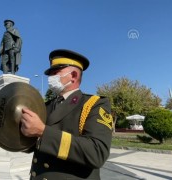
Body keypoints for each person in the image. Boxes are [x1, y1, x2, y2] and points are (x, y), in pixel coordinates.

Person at [20, 49, 113, 179]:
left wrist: (43, 132)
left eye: (56, 72)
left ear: (74, 75)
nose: (50, 78)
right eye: (50, 73)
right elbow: (31, 145)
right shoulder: (45, 106)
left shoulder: (94, 104)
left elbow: (97, 153)